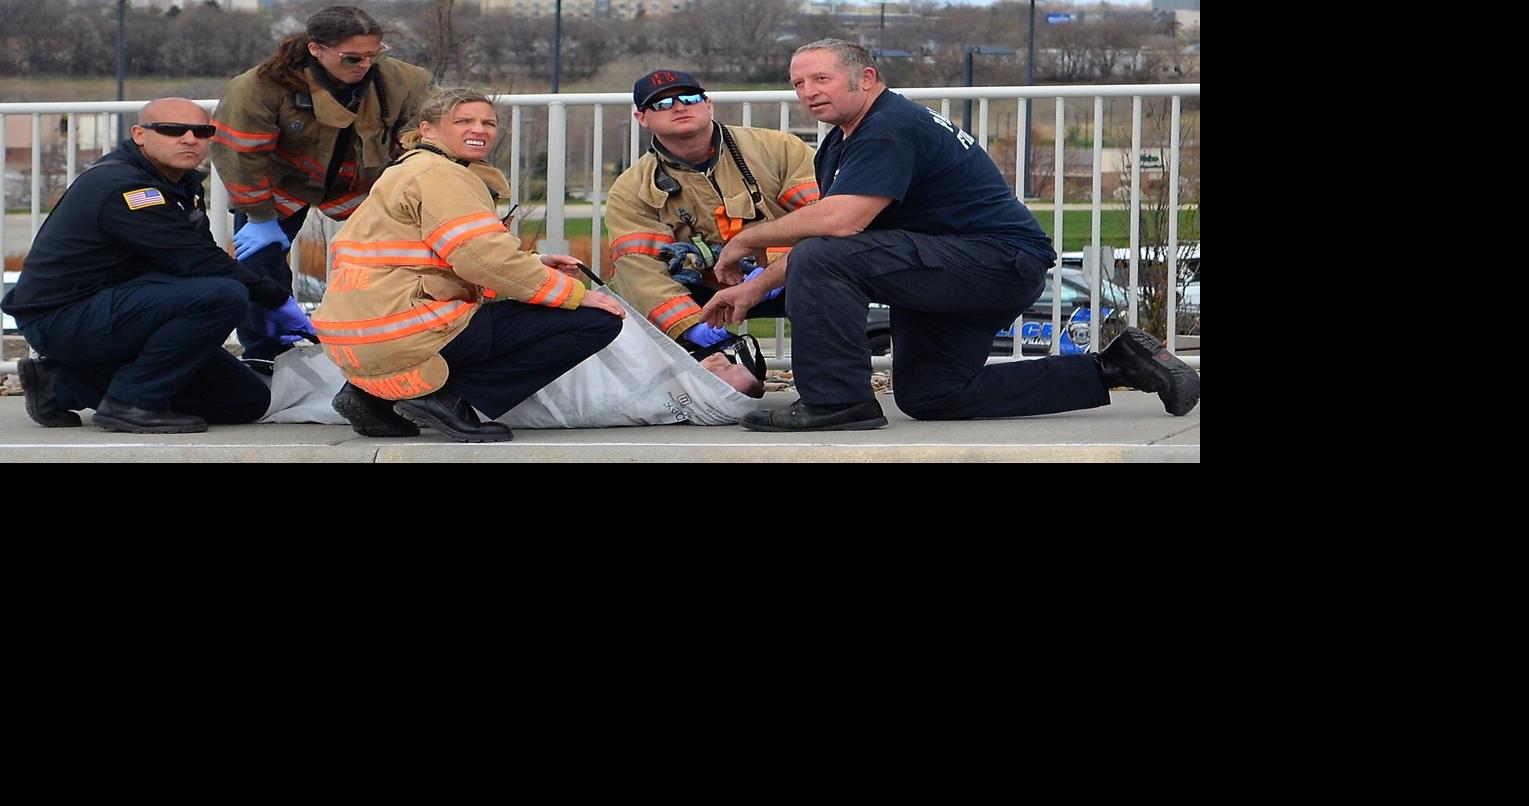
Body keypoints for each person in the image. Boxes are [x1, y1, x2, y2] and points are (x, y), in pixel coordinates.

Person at [701, 40, 1200, 431]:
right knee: (934, 395)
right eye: (798, 83)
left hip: (995, 262)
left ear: (866, 77)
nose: (808, 91)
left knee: (822, 258)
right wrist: (754, 287)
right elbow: (836, 239)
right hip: (948, 269)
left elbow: (838, 226)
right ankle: (1121, 364)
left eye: (821, 78)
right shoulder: (843, 142)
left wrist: (747, 240)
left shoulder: (889, 127)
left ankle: (837, 402)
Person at [311, 88, 625, 442]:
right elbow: (483, 259)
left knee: (496, 313)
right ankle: (447, 399)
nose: (481, 129)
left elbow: (439, 257)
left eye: (489, 122)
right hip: (403, 330)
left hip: (356, 339)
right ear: (427, 129)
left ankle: (369, 396)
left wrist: (533, 263)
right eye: (463, 121)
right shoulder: (441, 174)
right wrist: (574, 294)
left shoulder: (405, 170)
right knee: (596, 322)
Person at [1, 98, 309, 434]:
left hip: (119, 309)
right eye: (172, 130)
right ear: (139, 135)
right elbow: (196, 260)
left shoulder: (177, 184)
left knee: (244, 400)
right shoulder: (126, 187)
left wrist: (265, 300)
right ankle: (131, 403)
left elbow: (198, 256)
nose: (189, 138)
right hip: (65, 317)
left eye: (202, 131)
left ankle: (59, 383)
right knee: (222, 294)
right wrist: (273, 299)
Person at [212, 5, 432, 365]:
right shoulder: (260, 86)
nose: (363, 65)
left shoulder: (404, 82)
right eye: (351, 58)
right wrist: (258, 217)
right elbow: (240, 154)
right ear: (317, 49)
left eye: (373, 56)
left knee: (397, 260)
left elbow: (429, 137)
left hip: (362, 186)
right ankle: (266, 354)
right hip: (279, 186)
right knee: (258, 268)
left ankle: (394, 344)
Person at [605, 69, 819, 349]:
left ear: (708, 104)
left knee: (828, 277)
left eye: (689, 98)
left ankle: (828, 391)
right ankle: (709, 371)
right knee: (635, 299)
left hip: (788, 274)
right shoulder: (630, 189)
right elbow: (640, 271)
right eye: (662, 104)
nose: (679, 107)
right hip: (699, 290)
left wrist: (775, 268)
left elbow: (823, 217)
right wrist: (691, 327)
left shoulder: (779, 148)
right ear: (642, 118)